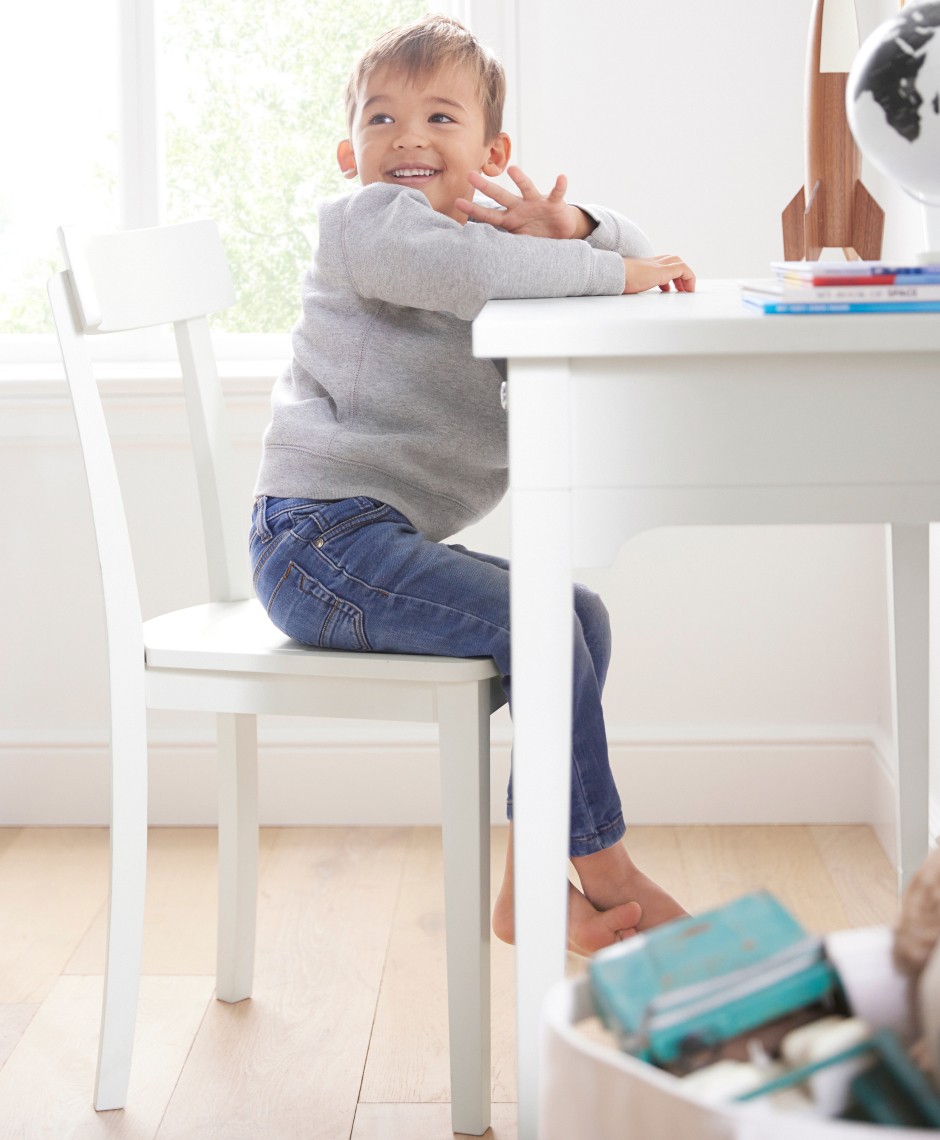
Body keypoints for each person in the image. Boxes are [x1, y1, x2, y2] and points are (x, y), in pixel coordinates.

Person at [251, 13, 693, 953]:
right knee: (540, 621)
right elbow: (478, 263)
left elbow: (614, 251)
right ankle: (603, 868)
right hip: (316, 545)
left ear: (491, 150)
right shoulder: (369, 225)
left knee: (577, 615)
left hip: (372, 542)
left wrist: (571, 225)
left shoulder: (495, 255)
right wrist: (607, 269)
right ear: (348, 153)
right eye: (382, 120)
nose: (408, 137)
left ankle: (531, 883)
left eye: (440, 118)